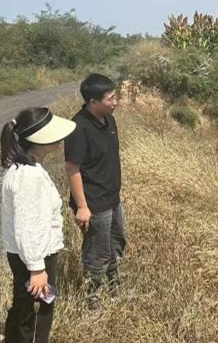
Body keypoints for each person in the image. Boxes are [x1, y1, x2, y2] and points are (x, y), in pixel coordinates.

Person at [0, 106, 76, 343]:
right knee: (37, 319)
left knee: (23, 311)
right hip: (35, 259)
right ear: (38, 140)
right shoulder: (28, 177)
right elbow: (28, 227)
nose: (59, 139)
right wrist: (37, 269)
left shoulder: (25, 169)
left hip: (27, 257)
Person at [64, 73, 126, 303]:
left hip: (112, 197)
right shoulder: (78, 128)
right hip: (93, 202)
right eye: (110, 98)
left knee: (117, 242)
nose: (115, 102)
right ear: (93, 102)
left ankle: (113, 286)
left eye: (115, 96)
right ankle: (93, 296)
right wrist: (82, 207)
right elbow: (72, 168)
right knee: (97, 251)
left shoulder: (109, 120)